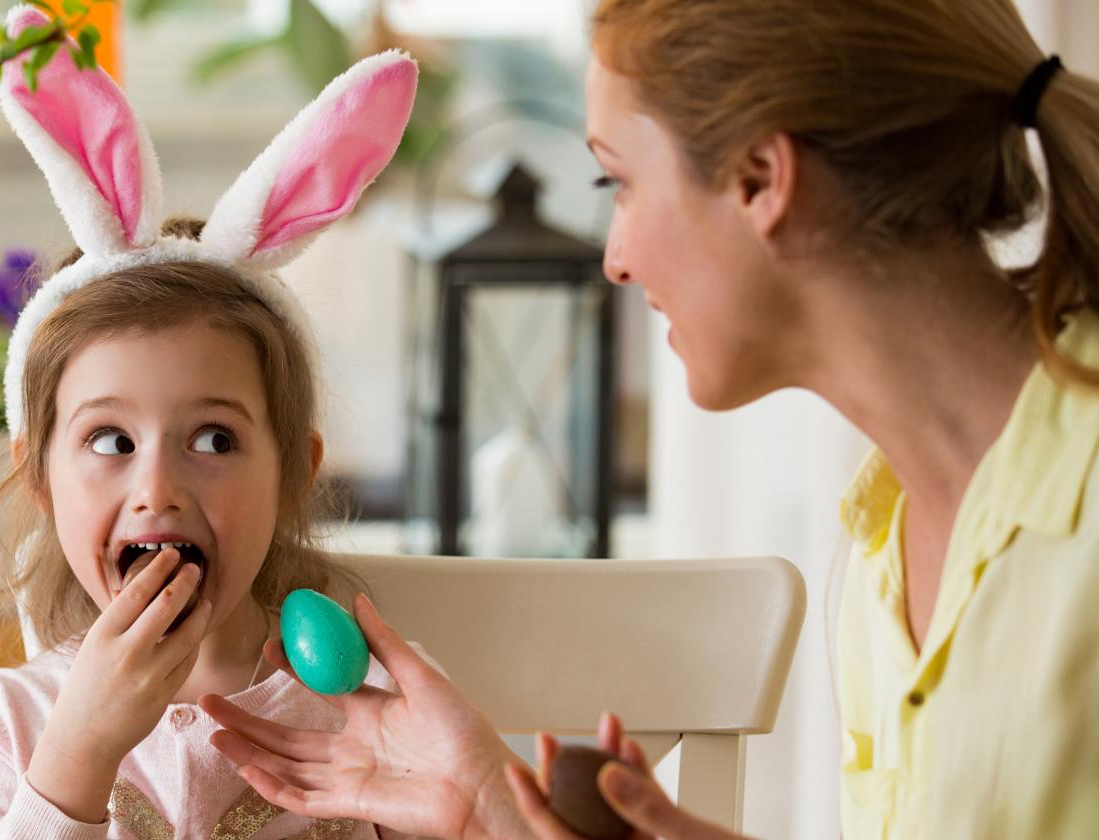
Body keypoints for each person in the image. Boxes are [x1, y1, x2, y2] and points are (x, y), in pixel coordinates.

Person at [204, 0, 1099, 837]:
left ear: (759, 180)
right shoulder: (884, 541)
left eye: (618, 182)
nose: (617, 260)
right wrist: (483, 805)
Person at [0, 6, 437, 836]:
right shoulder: (2, 733)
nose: (157, 488)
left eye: (214, 439)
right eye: (109, 441)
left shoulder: (370, 716)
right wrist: (77, 759)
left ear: (293, 475)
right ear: (40, 481)